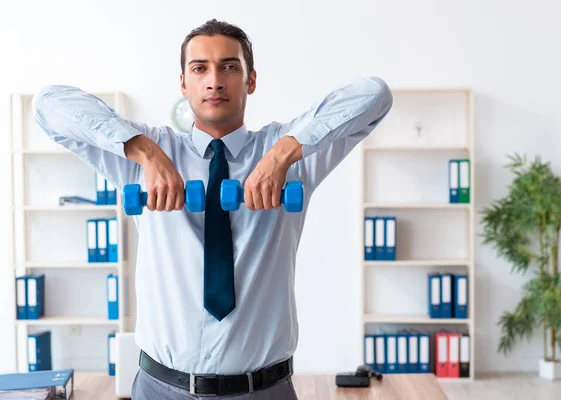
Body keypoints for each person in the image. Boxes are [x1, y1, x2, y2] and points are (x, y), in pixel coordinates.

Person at [32, 18, 393, 400]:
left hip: (264, 390)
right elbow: (48, 105)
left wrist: (281, 156)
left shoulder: (292, 155)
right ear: (183, 84)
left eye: (229, 67)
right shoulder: (141, 156)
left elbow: (375, 95)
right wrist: (145, 152)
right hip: (161, 389)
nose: (214, 81)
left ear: (251, 80)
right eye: (200, 68)